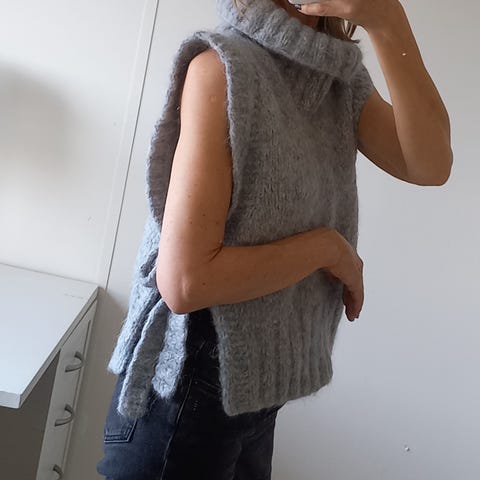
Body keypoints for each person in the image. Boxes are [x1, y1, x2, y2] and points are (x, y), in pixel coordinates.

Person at [97, 0, 452, 478]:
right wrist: (328, 250)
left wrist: (387, 21)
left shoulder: (337, 80)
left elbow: (429, 163)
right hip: (185, 387)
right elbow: (185, 282)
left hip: (259, 390)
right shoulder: (221, 68)